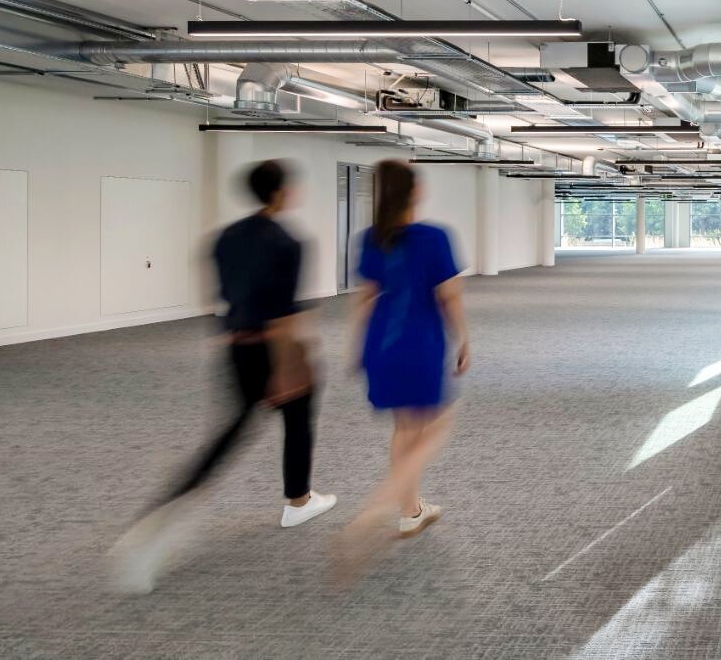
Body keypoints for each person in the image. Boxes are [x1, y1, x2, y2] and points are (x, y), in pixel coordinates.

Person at [111, 159, 336, 592]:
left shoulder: (224, 238)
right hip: (274, 350)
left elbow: (216, 298)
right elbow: (285, 317)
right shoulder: (289, 242)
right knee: (298, 415)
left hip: (236, 347)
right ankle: (297, 501)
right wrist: (288, 368)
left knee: (231, 434)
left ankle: (289, 499)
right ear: (280, 192)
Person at [343, 159, 470, 547]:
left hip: (381, 342)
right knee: (439, 425)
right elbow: (448, 295)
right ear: (414, 191)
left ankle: (410, 511)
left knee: (405, 429)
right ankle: (378, 506)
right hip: (420, 341)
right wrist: (464, 338)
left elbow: (364, 299)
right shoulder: (433, 236)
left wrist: (355, 347)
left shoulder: (369, 238)